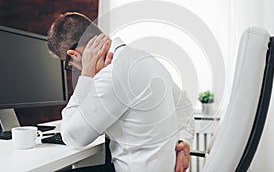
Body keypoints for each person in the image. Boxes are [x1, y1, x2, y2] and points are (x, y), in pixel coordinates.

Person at [47, 12, 195, 172]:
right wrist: (184, 141)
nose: (74, 69)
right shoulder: (145, 59)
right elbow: (184, 106)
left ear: (73, 55)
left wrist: (87, 75)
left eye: (70, 66)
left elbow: (72, 137)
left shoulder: (112, 73)